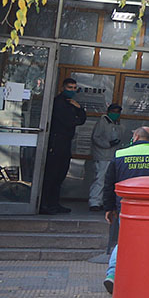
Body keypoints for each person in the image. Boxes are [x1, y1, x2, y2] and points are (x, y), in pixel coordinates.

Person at [100, 126, 149, 293]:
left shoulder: (120, 154)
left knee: (124, 241)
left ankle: (113, 274)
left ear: (135, 137)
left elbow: (109, 183)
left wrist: (109, 207)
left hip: (126, 207)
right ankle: (145, 279)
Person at [39, 76, 87, 214]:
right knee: (51, 175)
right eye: (69, 88)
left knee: (60, 175)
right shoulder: (59, 103)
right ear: (63, 88)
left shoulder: (71, 103)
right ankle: (44, 204)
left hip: (65, 143)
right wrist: (78, 112)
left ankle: (54, 203)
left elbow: (81, 120)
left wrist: (79, 109)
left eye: (74, 88)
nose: (72, 90)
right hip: (56, 143)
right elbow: (71, 122)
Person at [88, 103, 124, 211]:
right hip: (102, 156)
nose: (116, 114)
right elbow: (96, 138)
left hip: (111, 156)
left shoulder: (116, 123)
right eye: (113, 111)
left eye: (118, 112)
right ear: (108, 112)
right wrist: (108, 144)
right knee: (100, 179)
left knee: (108, 180)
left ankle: (102, 201)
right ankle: (94, 202)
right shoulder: (102, 122)